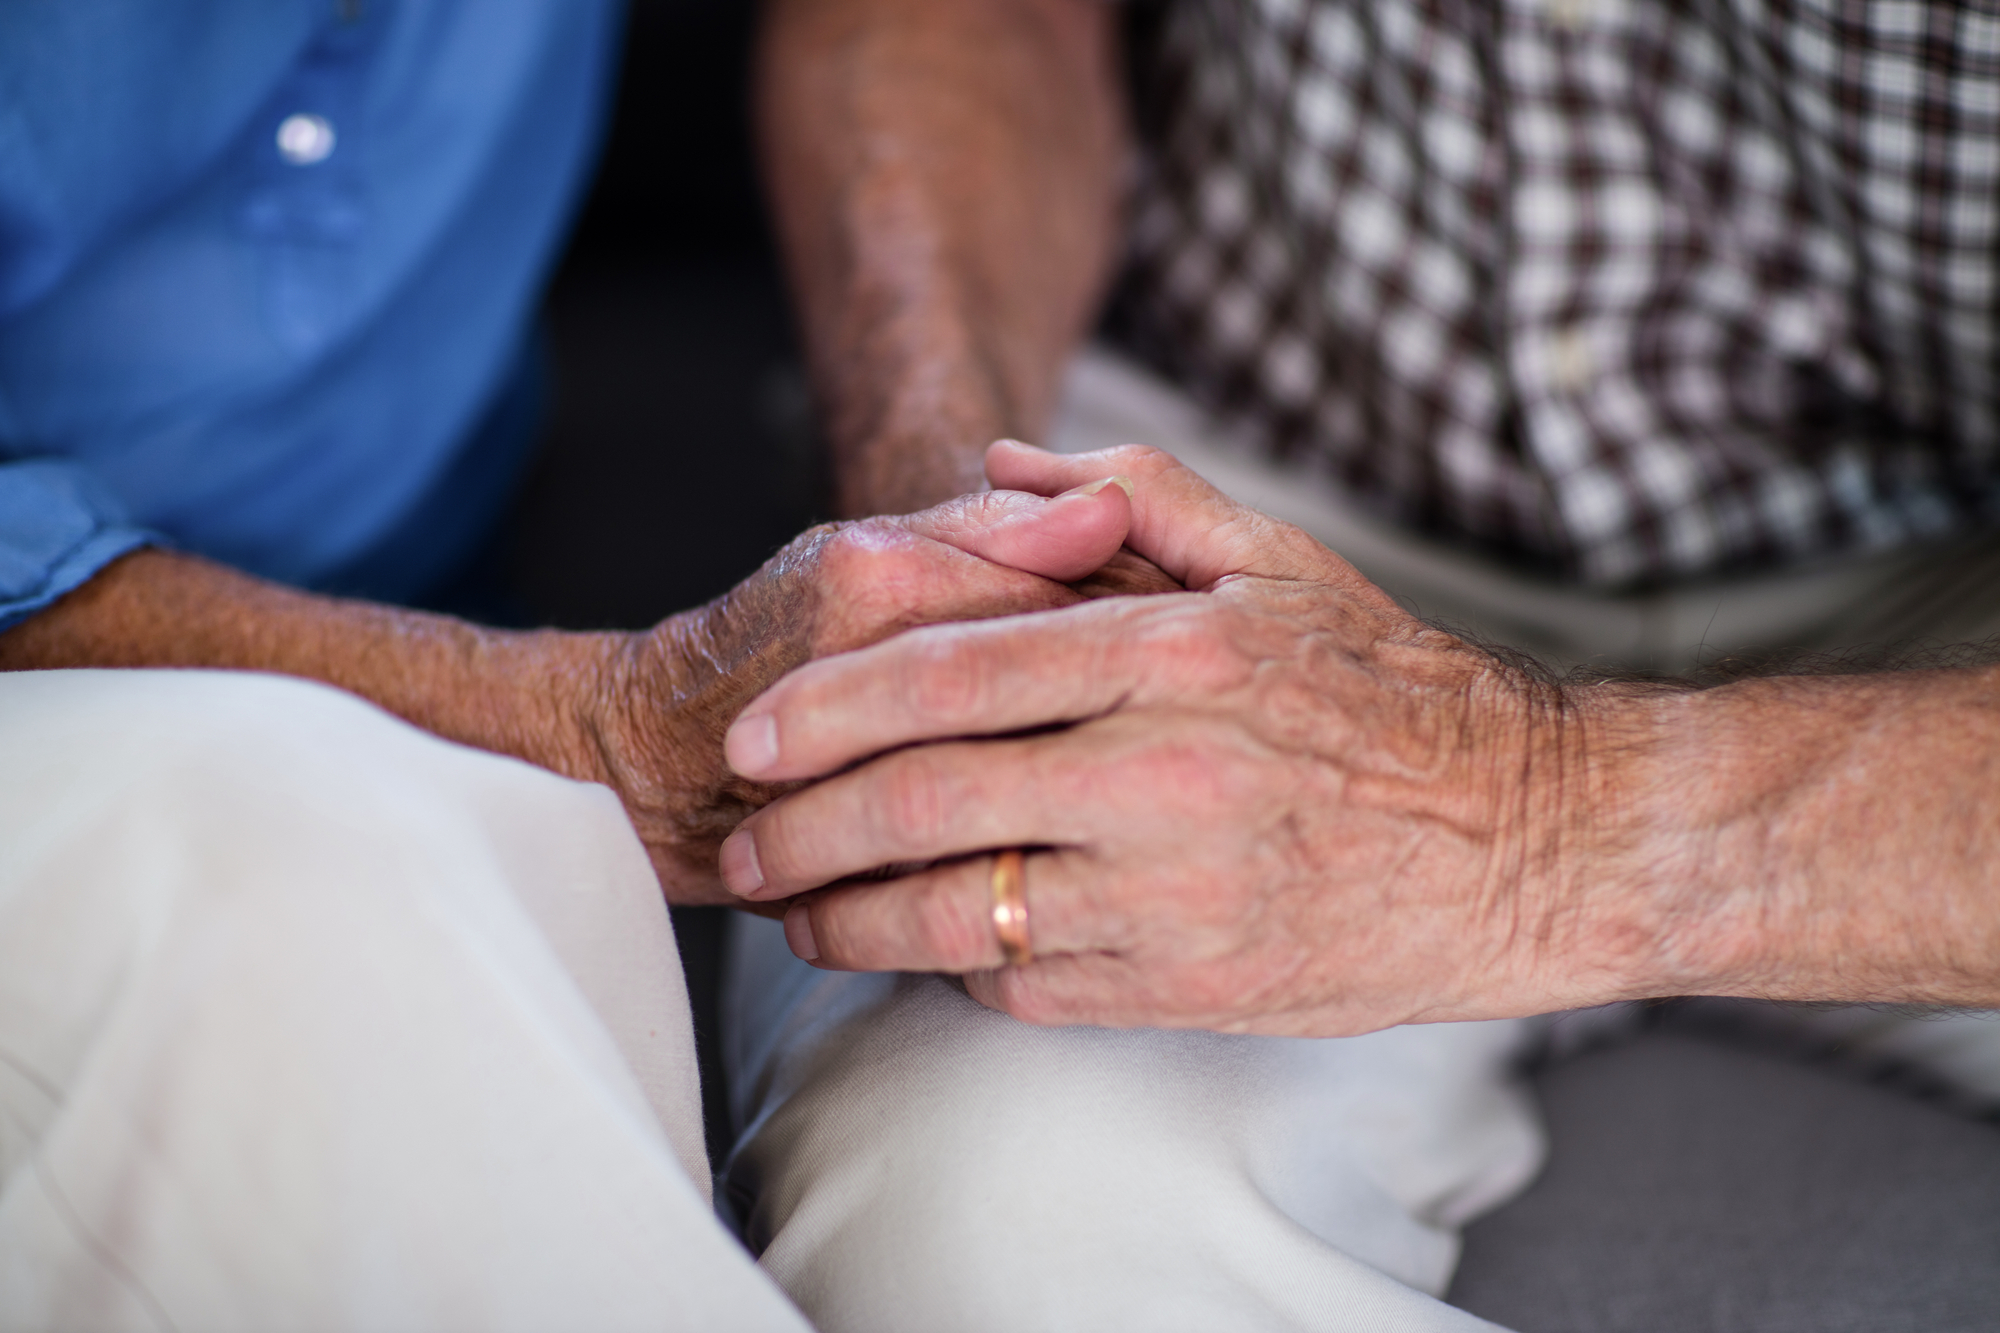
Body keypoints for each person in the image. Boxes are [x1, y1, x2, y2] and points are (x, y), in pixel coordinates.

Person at [707, 0, 2000, 1328]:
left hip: (1956, 602)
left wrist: (1528, 824)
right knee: (980, 1233)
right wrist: (959, 534)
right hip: (1194, 504)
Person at [0, 4, 1148, 1327]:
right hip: (125, 702)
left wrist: (953, 534)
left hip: (437, 580)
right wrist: (593, 727)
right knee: (291, 927)